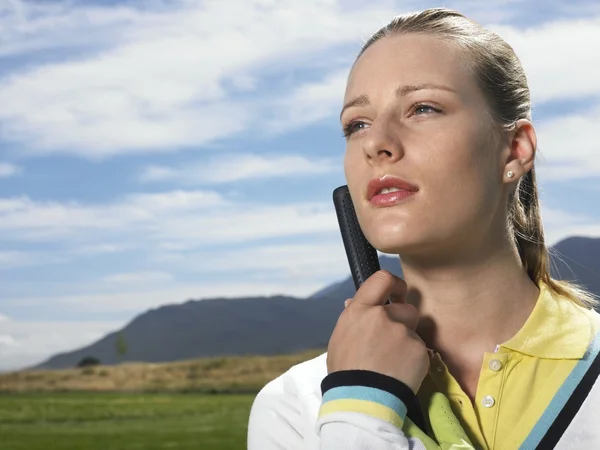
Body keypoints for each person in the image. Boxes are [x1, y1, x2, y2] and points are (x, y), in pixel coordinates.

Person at [247, 8, 600, 449]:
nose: (376, 143)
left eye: (423, 108)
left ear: (514, 149)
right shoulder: (295, 407)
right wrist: (359, 398)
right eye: (357, 124)